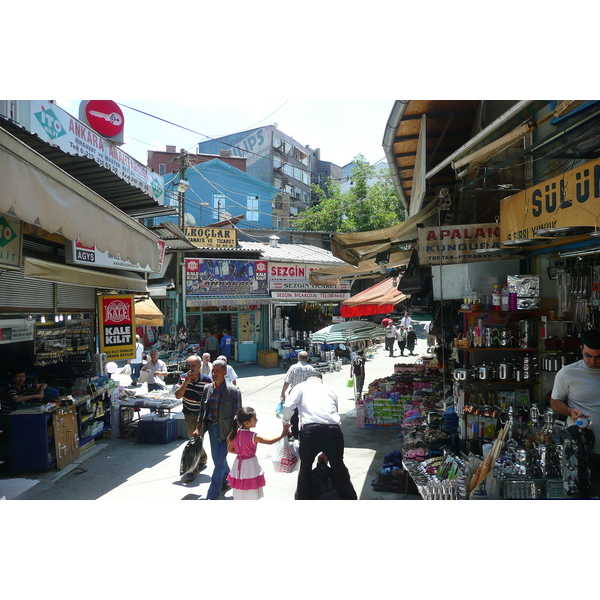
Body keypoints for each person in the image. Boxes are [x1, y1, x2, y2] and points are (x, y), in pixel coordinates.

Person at [282, 372, 357, 500]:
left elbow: (289, 406)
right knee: (338, 466)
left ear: (307, 379)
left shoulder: (300, 387)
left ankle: (303, 498)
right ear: (320, 380)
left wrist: (285, 422)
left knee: (305, 467)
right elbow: (334, 411)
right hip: (333, 430)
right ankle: (349, 497)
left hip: (311, 431)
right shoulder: (329, 390)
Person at [550, 329, 600, 497]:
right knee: (577, 497)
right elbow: (555, 401)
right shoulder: (568, 373)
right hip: (578, 449)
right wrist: (570, 411)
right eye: (588, 356)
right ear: (581, 350)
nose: (592, 361)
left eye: (598, 357)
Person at [193, 359, 242, 500]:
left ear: (225, 373)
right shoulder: (207, 389)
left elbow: (238, 415)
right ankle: (227, 480)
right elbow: (202, 411)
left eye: (217, 371)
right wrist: (198, 428)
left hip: (225, 431)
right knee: (218, 459)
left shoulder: (234, 391)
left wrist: (232, 434)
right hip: (212, 428)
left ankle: (212, 495)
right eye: (213, 371)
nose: (214, 374)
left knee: (218, 462)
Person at [226, 406, 290, 500]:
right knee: (251, 487)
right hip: (250, 464)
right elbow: (270, 441)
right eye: (254, 418)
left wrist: (242, 453)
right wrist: (283, 434)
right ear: (247, 423)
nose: (257, 420)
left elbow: (229, 449)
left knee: (240, 488)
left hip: (238, 463)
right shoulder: (252, 436)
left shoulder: (235, 433)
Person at [1, 371, 49, 466]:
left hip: (19, 415)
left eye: (23, 377)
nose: (21, 379)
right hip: (7, 417)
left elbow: (44, 384)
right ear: (13, 379)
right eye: (18, 377)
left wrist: (42, 390)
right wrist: (36, 396)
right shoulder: (10, 388)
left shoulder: (25, 386)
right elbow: (16, 399)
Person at [174, 355, 209, 481]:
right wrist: (186, 382)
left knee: (196, 440)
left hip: (202, 416)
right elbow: (178, 395)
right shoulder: (183, 378)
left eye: (194, 365)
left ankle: (191, 470)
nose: (191, 368)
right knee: (194, 439)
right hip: (189, 414)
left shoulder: (207, 380)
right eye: (189, 365)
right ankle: (202, 458)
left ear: (200, 366)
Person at [279, 350, 316, 438]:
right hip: (307, 393)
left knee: (293, 414)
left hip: (294, 392)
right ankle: (305, 432)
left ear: (298, 358)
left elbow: (287, 381)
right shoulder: (311, 368)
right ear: (307, 358)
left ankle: (294, 433)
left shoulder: (293, 367)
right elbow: (315, 381)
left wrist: (283, 393)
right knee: (305, 413)